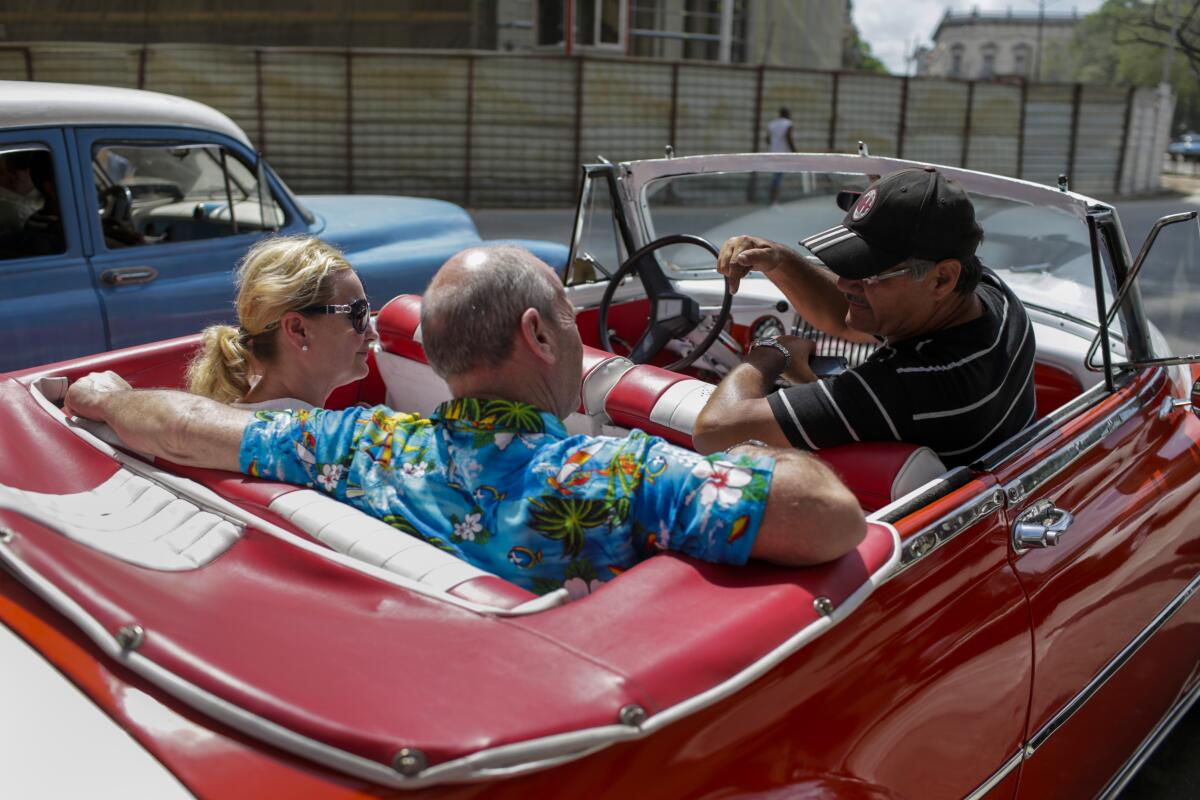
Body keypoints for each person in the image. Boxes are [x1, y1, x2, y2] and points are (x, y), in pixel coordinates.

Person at [66, 245, 866, 596]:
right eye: (566, 314)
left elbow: (176, 426)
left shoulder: (355, 443)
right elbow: (829, 518)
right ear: (540, 334)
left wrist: (102, 398)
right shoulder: (623, 475)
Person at [694, 167, 1036, 468]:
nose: (844, 282)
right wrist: (778, 259)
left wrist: (772, 352)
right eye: (847, 264)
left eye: (868, 272)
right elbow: (843, 320)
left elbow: (715, 430)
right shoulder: (991, 294)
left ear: (942, 279)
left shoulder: (911, 383)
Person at [185, 235, 378, 411]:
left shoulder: (242, 419)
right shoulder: (300, 442)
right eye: (358, 313)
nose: (372, 333)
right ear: (298, 329)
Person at [765, 107, 796, 204]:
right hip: (783, 154)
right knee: (778, 177)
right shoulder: (788, 124)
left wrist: (774, 145)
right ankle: (775, 200)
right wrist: (794, 152)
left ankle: (772, 199)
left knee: (776, 176)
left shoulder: (772, 124)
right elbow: (788, 138)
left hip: (773, 152)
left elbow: (767, 139)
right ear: (787, 114)